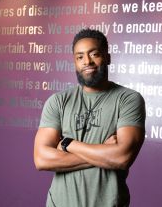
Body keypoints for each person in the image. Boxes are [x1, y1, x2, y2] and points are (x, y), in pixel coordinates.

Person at [34, 28, 146, 207]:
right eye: (79, 57)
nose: (87, 62)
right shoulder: (58, 101)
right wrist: (104, 153)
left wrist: (68, 144)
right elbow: (42, 159)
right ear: (75, 62)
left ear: (107, 58)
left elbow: (122, 157)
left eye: (94, 54)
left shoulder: (128, 99)